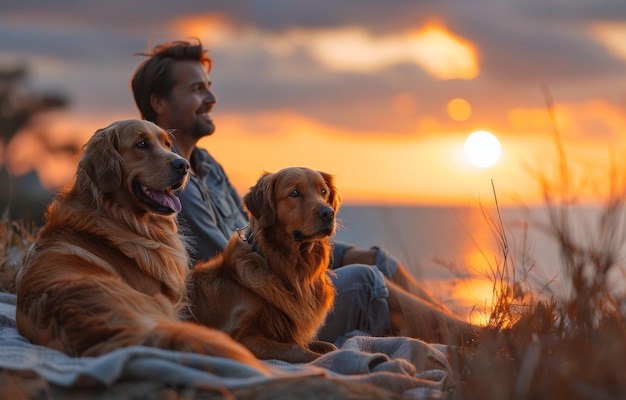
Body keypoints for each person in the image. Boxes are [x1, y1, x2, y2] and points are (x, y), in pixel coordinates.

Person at [130, 39, 478, 347]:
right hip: (255, 305)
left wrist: (338, 251)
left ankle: (468, 336)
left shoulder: (207, 164)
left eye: (208, 87)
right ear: (159, 102)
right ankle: (476, 342)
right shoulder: (165, 184)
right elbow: (232, 264)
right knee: (366, 281)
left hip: (274, 270)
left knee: (375, 259)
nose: (211, 98)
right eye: (197, 90)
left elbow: (256, 229)